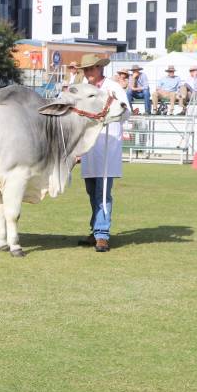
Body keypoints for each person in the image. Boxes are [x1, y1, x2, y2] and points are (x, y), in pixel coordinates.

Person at [75, 54, 130, 253]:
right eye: (86, 69)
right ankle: (95, 230)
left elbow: (125, 112)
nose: (88, 73)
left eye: (91, 68)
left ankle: (102, 234)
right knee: (92, 192)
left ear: (99, 68)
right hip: (89, 146)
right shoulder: (84, 89)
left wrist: (109, 115)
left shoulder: (113, 87)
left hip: (107, 144)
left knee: (102, 191)